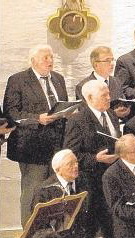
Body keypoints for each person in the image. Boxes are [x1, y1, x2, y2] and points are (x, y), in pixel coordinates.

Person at [3, 44, 69, 226]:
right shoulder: (18, 80)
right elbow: (11, 112)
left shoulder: (58, 79)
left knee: (55, 191)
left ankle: (52, 232)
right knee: (33, 192)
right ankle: (29, 231)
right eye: (45, 58)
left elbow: (62, 105)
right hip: (31, 147)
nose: (50, 61)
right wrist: (37, 119)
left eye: (51, 57)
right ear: (33, 61)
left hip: (57, 146)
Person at [64, 79, 121, 237]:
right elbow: (71, 154)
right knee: (92, 227)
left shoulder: (111, 114)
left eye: (109, 94)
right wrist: (95, 158)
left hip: (113, 178)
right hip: (92, 181)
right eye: (104, 95)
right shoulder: (77, 120)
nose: (109, 98)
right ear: (89, 98)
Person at [30, 149, 92, 237]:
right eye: (70, 164)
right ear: (58, 169)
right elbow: (39, 226)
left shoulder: (84, 181)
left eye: (76, 162)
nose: (76, 166)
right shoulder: (44, 191)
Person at [75, 46, 129, 120]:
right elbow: (86, 114)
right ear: (96, 64)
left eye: (112, 60)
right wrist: (113, 114)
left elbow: (121, 102)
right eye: (107, 60)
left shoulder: (116, 81)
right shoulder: (83, 86)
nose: (112, 63)